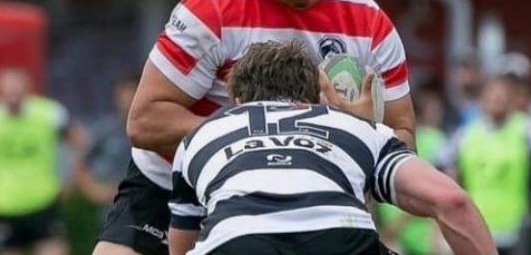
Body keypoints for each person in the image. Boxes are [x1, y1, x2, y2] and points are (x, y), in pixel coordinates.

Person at [93, 0, 416, 255]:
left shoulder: (370, 23)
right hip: (171, 183)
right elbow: (143, 121)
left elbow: (403, 135)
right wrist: (251, 140)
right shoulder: (211, 10)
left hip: (302, 196)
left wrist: (360, 133)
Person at [168, 40, 495, 255]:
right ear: (314, 97)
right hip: (340, 239)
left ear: (237, 101)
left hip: (236, 242)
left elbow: (180, 245)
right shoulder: (356, 128)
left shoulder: (201, 135)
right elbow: (452, 201)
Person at [0, 66, 85, 255]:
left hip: (44, 200)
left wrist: (69, 178)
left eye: (17, 91)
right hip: (4, 205)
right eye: (8, 92)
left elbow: (77, 139)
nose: (13, 97)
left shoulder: (49, 113)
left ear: (27, 89)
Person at [438, 76, 531, 255]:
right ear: (482, 100)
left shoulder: (530, 131)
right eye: (492, 96)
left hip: (518, 229)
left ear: (512, 100)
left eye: (502, 96)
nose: (497, 101)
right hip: (477, 227)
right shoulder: (465, 136)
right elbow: (447, 180)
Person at [377, 79, 448, 255]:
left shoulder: (436, 140)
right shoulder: (377, 139)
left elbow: (439, 192)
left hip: (423, 239)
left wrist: (396, 226)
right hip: (393, 240)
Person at [75, 76, 136, 222]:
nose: (128, 99)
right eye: (123, 93)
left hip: (149, 207)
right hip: (111, 211)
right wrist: (94, 190)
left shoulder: (154, 130)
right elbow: (80, 164)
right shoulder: (106, 130)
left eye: (132, 92)